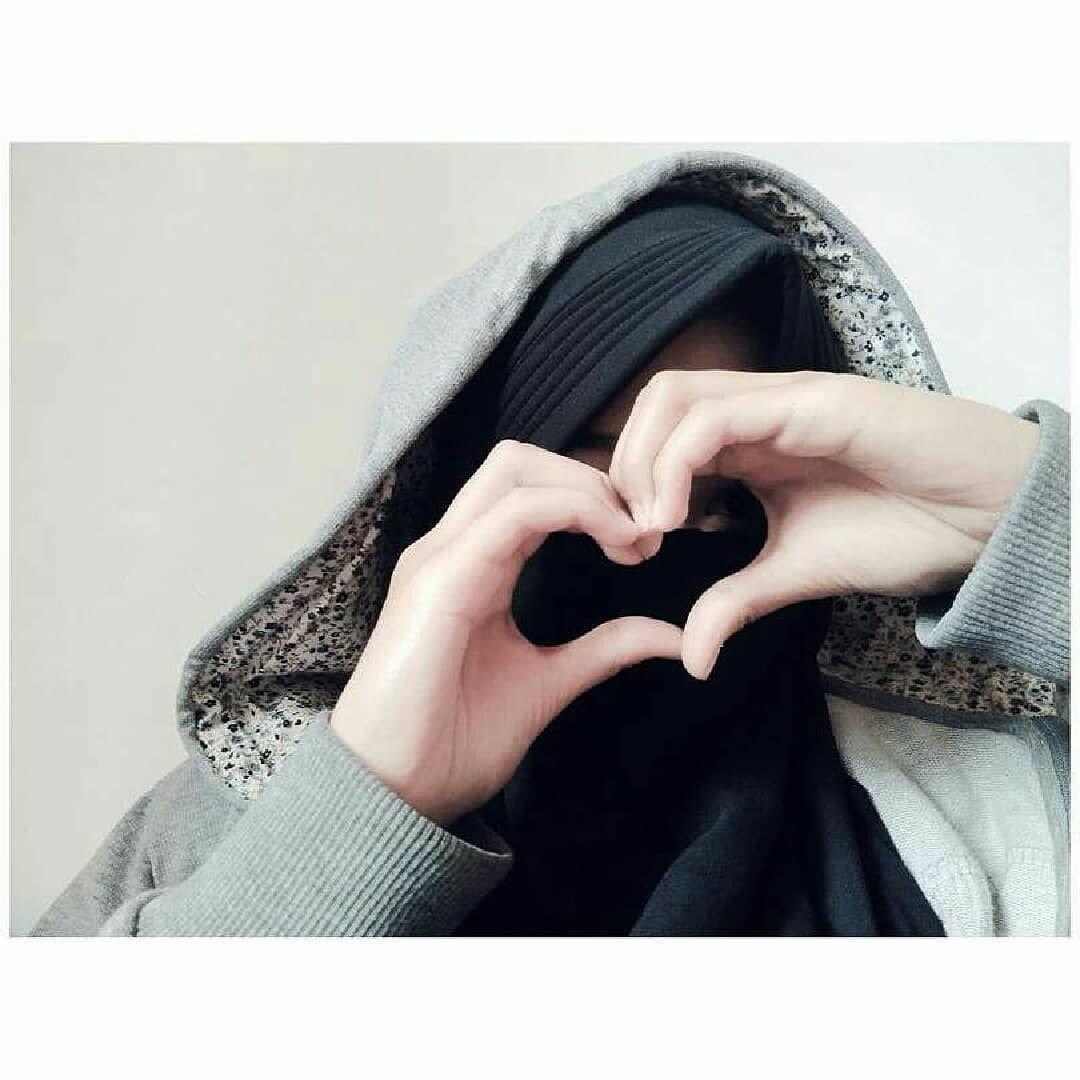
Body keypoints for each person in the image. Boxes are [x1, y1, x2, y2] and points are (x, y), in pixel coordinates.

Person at [32, 152, 1070, 937]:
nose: (662, 530)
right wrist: (367, 807)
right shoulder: (207, 831)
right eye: (601, 471)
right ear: (459, 471)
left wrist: (1029, 519)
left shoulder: (993, 792)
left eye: (726, 496)